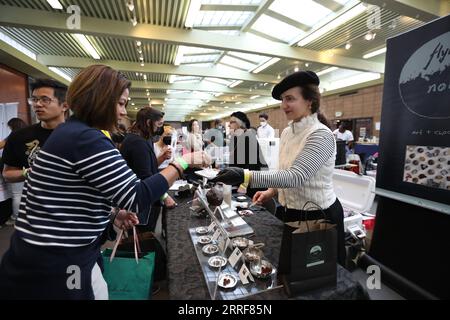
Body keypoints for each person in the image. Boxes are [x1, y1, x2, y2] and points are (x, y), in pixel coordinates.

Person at [0, 65, 209, 300]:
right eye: (120, 103)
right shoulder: (86, 138)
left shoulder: (72, 133)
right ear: (99, 100)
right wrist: (183, 163)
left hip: (50, 256)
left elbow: (69, 198)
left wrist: (110, 215)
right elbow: (136, 196)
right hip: (57, 263)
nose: (123, 111)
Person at [212, 71, 346, 266]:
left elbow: (296, 176)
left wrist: (245, 176)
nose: (283, 105)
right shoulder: (287, 132)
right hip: (292, 212)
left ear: (310, 101)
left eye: (290, 99)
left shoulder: (321, 135)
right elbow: (284, 172)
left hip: (318, 216)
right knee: (292, 274)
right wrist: (271, 192)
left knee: (315, 281)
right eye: (283, 99)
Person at [2, 80, 68, 226]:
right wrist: (28, 173)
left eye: (45, 99)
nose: (37, 104)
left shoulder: (82, 136)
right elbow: (7, 174)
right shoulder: (19, 137)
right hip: (36, 215)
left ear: (65, 105)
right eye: (34, 99)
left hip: (74, 215)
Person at [228, 111, 267, 198]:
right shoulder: (236, 137)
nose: (228, 125)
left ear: (240, 124)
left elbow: (251, 165)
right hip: (244, 180)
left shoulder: (248, 136)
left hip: (253, 183)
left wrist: (244, 185)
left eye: (232, 122)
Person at [0, 118, 27, 227]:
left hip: (15, 167)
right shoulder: (28, 133)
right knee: (22, 193)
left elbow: (1, 145)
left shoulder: (13, 136)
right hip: (26, 166)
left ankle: (16, 217)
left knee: (16, 194)